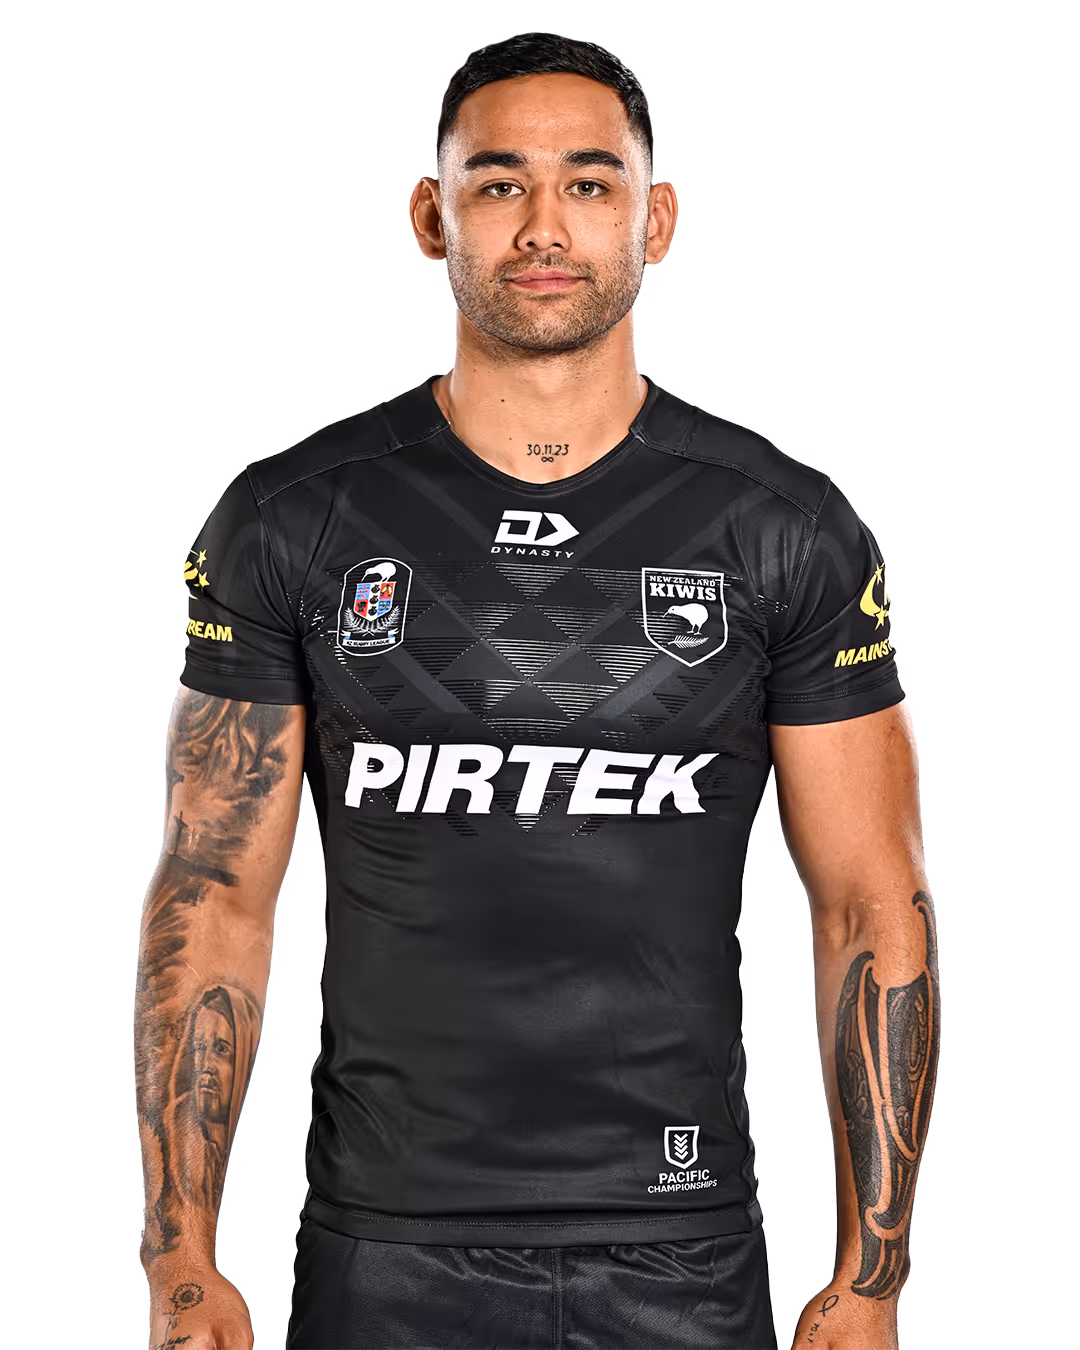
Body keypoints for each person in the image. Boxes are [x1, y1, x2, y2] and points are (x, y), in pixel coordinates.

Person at [134, 31, 940, 1350]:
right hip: (385, 1246)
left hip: (678, 1244)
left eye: (591, 183)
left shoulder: (780, 528)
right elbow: (213, 897)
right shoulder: (295, 519)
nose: (544, 226)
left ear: (655, 219)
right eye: (499, 183)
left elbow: (871, 901)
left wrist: (874, 1275)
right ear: (431, 215)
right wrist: (179, 1256)